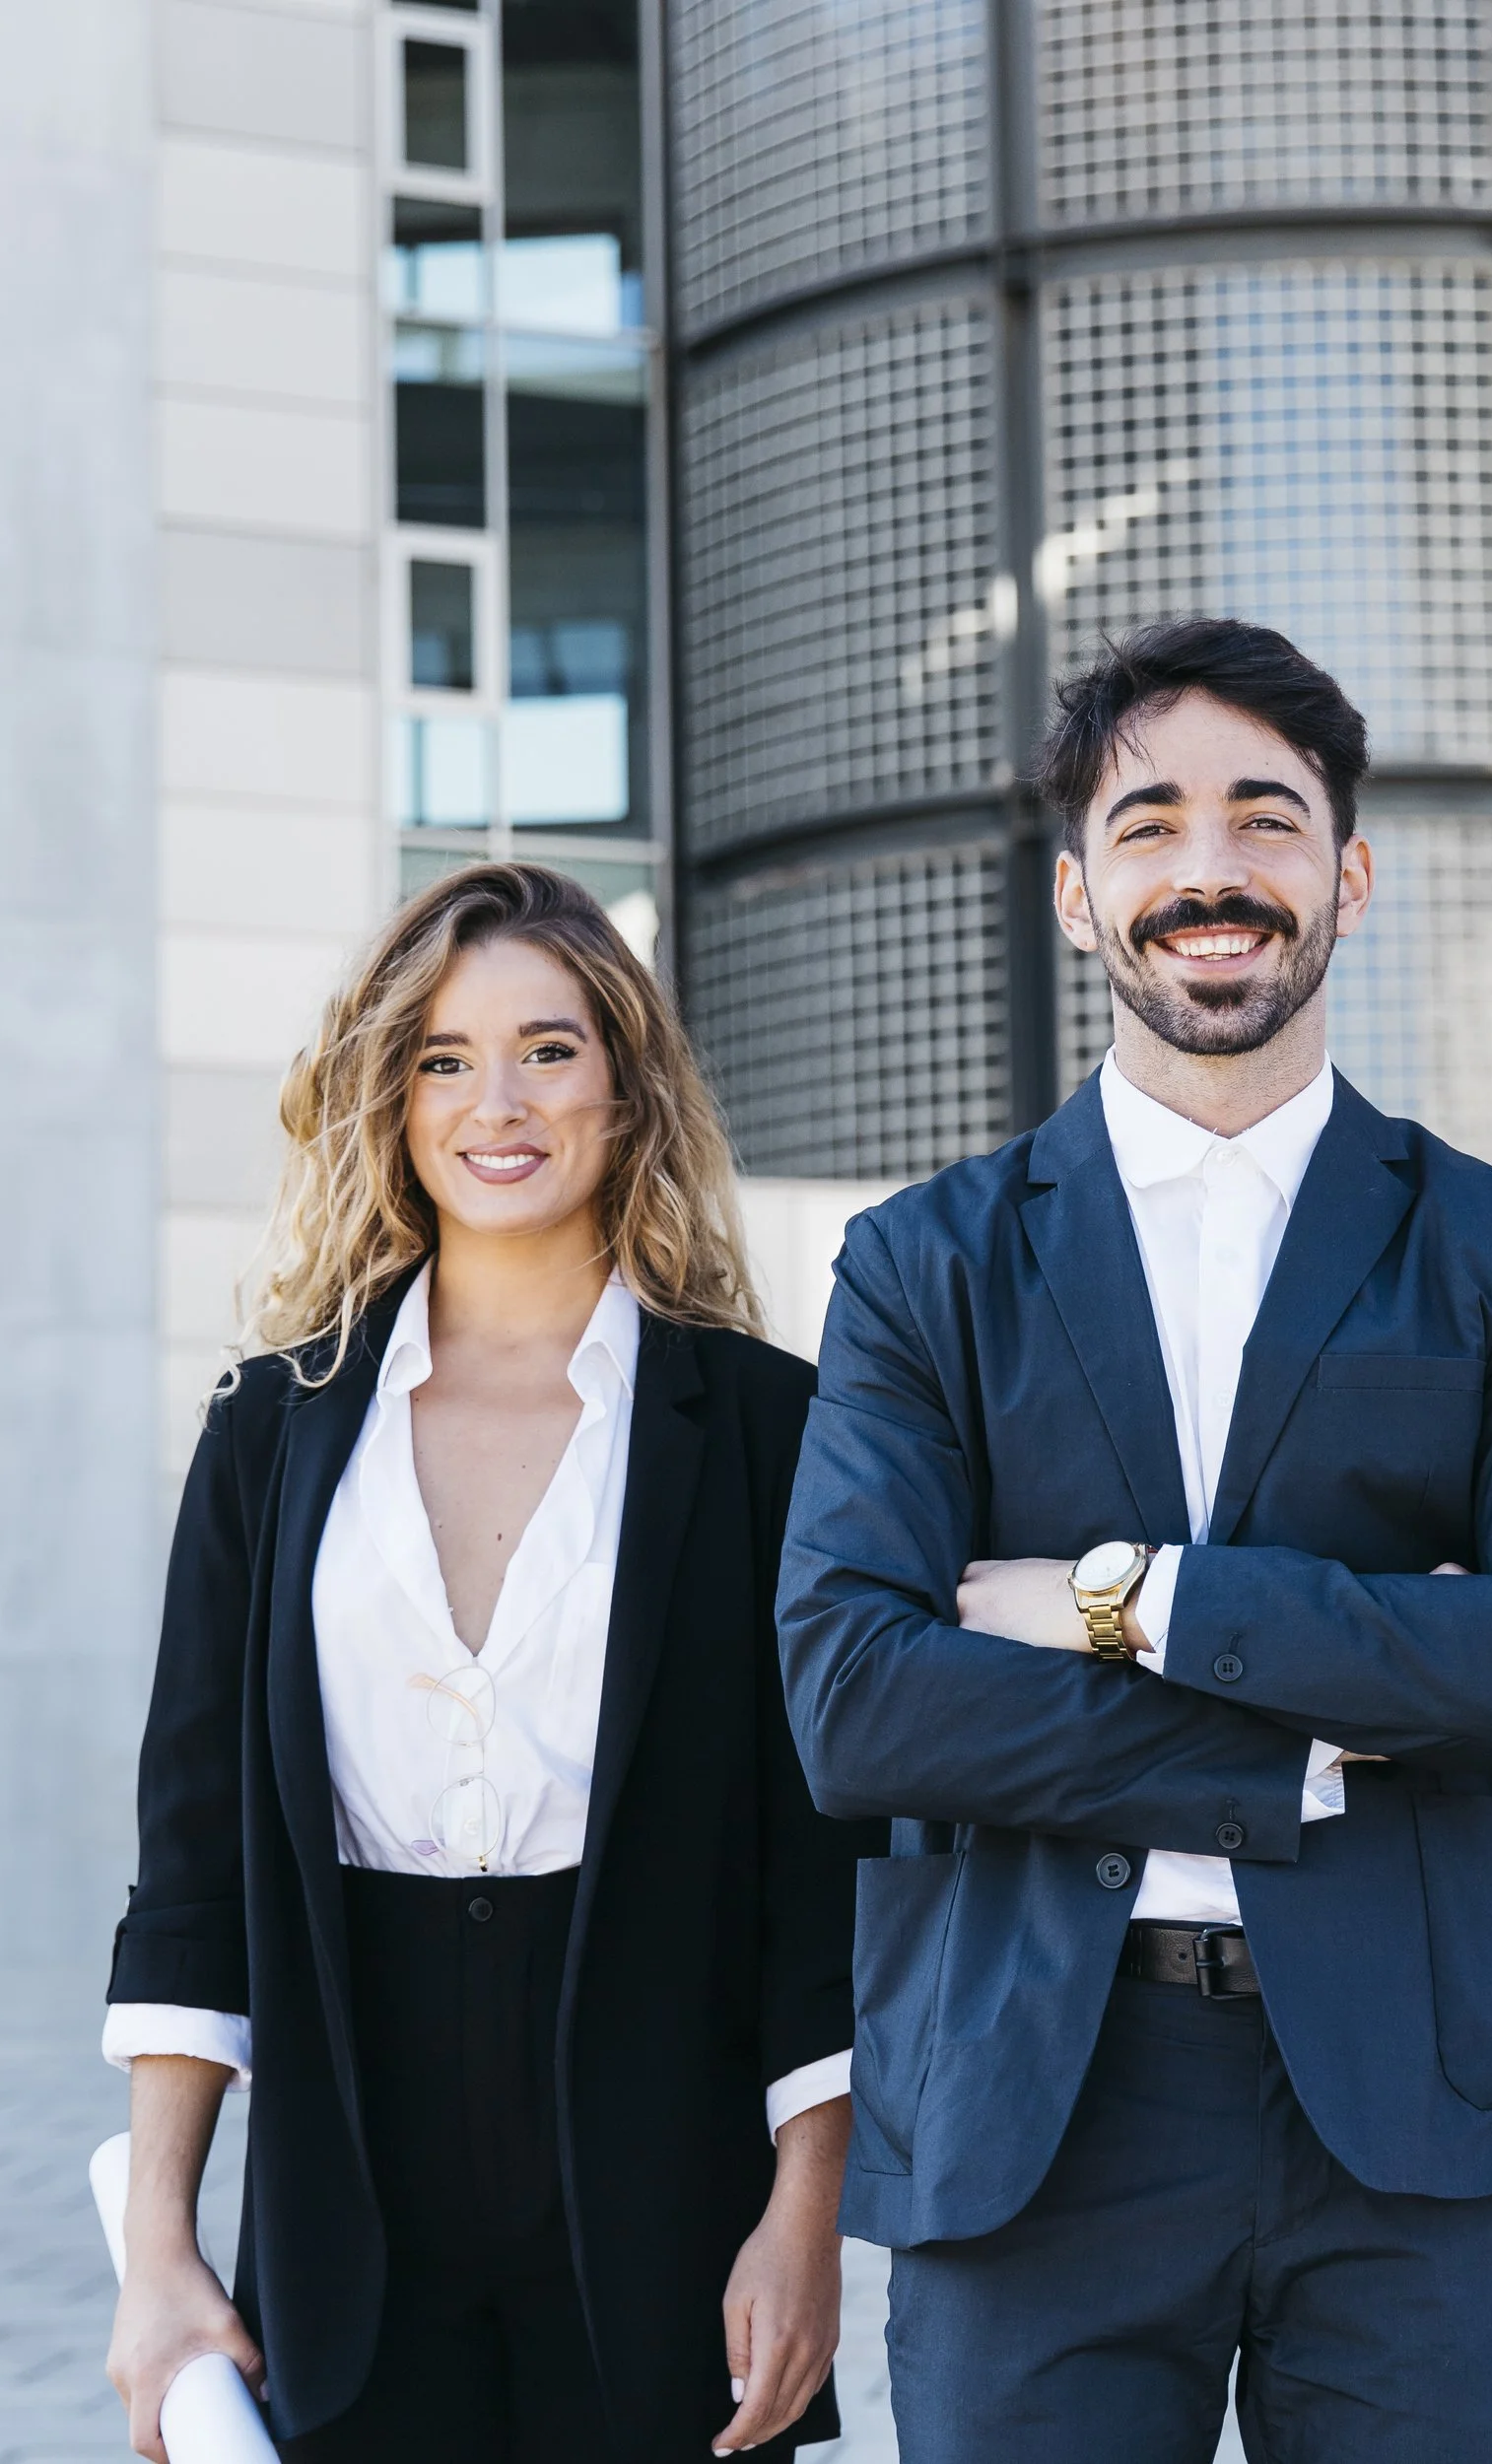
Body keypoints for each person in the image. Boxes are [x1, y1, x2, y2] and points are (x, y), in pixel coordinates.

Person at [777, 617, 1492, 2463]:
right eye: (1151, 824)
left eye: (1266, 820)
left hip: (1437, 2105)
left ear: (1348, 874)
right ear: (1075, 893)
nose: (1209, 871)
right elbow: (858, 1700)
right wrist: (1333, 1720)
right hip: (1041, 2104)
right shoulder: (924, 1263)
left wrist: (1129, 1603)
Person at [102, 863, 873, 2464]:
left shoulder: (762, 1430)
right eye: (444, 1059)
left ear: (626, 1086)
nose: (495, 1102)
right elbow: (192, 1866)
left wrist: (807, 2214)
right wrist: (162, 2250)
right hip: (349, 2181)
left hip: (666, 2171)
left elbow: (822, 1871)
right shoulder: (274, 1432)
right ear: (391, 1099)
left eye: (548, 1048)